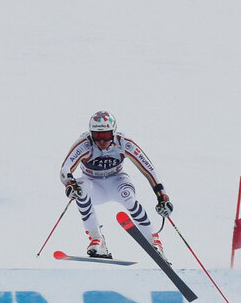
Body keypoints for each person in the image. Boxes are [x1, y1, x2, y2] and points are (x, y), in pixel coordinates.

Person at [60, 111, 173, 259]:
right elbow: (65, 169)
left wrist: (162, 197)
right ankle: (97, 240)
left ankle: (154, 241)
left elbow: (149, 170)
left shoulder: (124, 143)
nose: (101, 141)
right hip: (94, 186)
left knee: (128, 198)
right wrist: (70, 184)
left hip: (117, 181)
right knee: (80, 188)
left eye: (106, 135)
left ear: (113, 132)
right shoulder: (84, 144)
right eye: (97, 135)